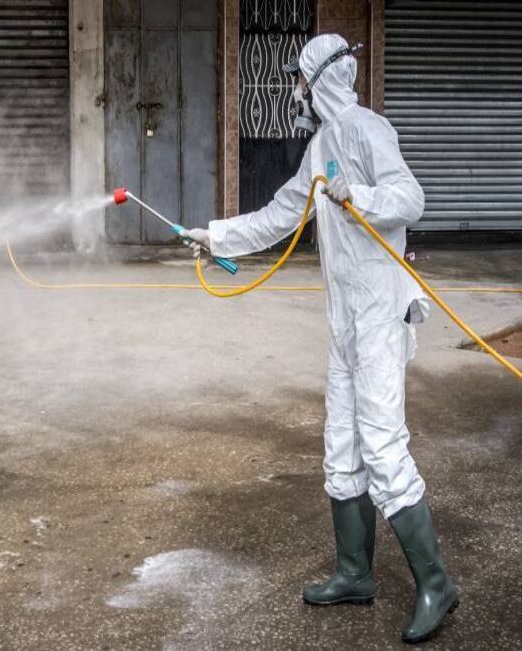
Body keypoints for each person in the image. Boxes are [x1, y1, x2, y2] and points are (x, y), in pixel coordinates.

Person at [185, 34, 458, 643]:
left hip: (380, 316)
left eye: (299, 80)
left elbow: (410, 197)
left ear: (320, 79)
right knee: (342, 448)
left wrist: (357, 195)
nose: (295, 91)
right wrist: (215, 236)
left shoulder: (365, 128)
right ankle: (354, 574)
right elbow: (281, 214)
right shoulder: (320, 147)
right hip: (345, 323)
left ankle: (436, 584)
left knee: (384, 448)